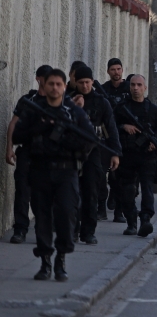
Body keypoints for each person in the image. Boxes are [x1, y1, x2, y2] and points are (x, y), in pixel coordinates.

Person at [12, 69, 95, 281]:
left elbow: (89, 139)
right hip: (40, 170)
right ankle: (45, 261)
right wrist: (40, 127)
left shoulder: (74, 112)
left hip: (67, 171)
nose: (55, 87)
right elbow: (18, 135)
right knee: (42, 218)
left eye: (59, 84)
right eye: (51, 84)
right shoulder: (34, 110)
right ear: (44, 85)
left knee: (67, 213)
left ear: (65, 86)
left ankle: (62, 258)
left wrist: (63, 136)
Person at [71, 66, 122, 244]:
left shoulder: (102, 102)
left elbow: (111, 128)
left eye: (87, 82)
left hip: (93, 152)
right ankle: (73, 231)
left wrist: (115, 153)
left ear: (92, 81)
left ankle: (88, 232)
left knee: (91, 193)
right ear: (75, 83)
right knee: (71, 194)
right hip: (71, 153)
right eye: (81, 82)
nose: (84, 86)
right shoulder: (68, 100)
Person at [114, 74, 157, 237]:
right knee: (128, 190)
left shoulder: (154, 110)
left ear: (145, 88)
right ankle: (131, 222)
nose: (136, 88)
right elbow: (110, 128)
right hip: (127, 156)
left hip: (147, 157)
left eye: (139, 85)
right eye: (133, 85)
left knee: (147, 189)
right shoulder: (122, 108)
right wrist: (124, 126)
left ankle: (145, 219)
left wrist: (156, 143)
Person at [5, 65, 53, 244]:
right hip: (27, 151)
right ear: (38, 79)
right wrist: (9, 148)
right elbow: (13, 124)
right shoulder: (28, 99)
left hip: (47, 154)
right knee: (22, 190)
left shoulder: (56, 101)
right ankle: (20, 229)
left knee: (43, 194)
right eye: (44, 78)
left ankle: (42, 229)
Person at [100, 58, 130, 223]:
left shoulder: (129, 88)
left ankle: (119, 212)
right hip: (109, 137)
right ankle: (101, 208)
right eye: (113, 69)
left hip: (126, 139)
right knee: (103, 175)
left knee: (120, 178)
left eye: (119, 69)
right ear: (108, 71)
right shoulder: (104, 90)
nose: (116, 72)